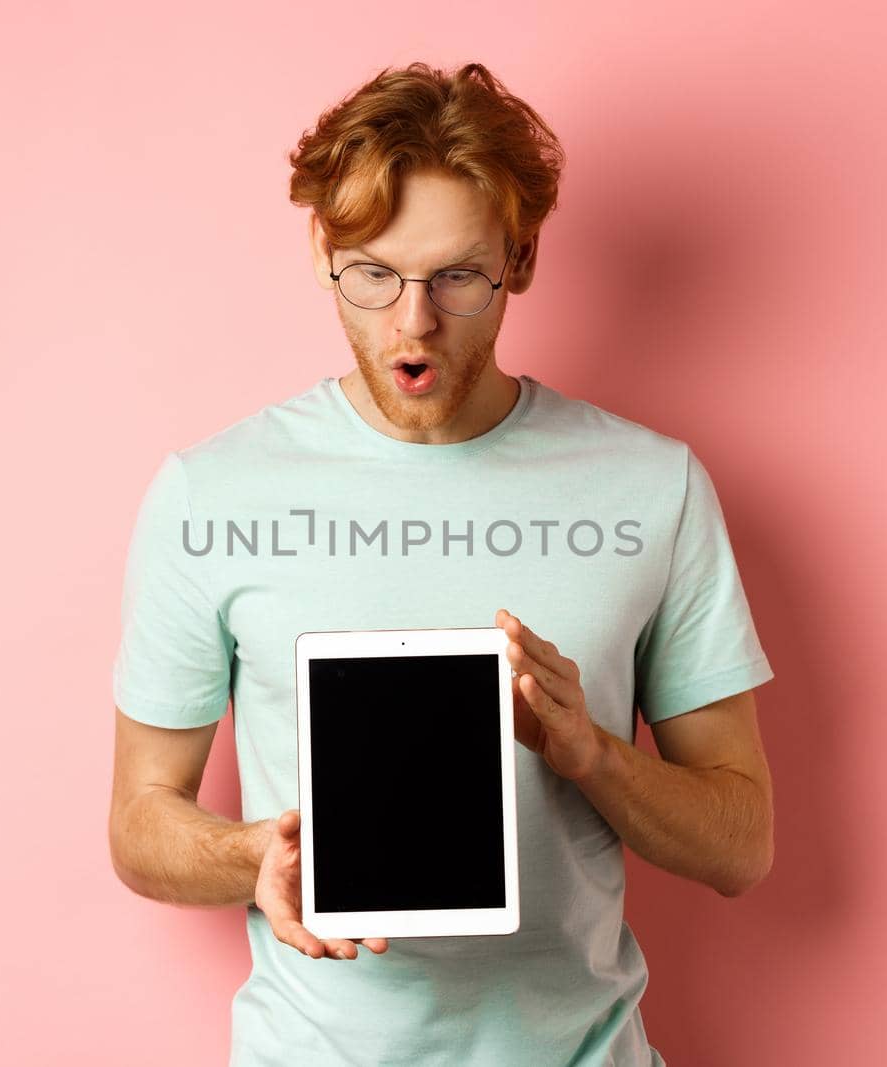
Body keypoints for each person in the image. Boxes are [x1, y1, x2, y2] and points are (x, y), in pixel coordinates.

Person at [108, 61, 776, 1067]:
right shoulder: (214, 492)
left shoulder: (652, 486)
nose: (411, 322)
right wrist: (253, 856)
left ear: (521, 256)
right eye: (373, 271)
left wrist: (592, 752)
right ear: (322, 250)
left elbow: (741, 842)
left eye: (457, 274)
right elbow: (138, 821)